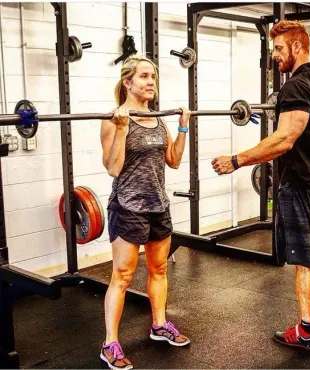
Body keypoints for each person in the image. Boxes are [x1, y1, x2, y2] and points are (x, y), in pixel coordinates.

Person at [212, 20, 310, 351]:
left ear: (298, 47)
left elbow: (284, 139)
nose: (275, 57)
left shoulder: (295, 87)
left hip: (301, 187)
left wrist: (236, 160)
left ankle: (308, 331)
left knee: (306, 260)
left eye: (279, 49)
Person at [100, 55, 191, 370]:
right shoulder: (113, 119)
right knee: (123, 276)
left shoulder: (160, 118)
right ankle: (110, 343)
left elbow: (174, 161)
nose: (151, 82)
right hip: (127, 207)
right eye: (143, 77)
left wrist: (182, 127)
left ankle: (159, 324)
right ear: (128, 82)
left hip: (158, 206)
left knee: (159, 270)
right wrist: (123, 129)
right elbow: (113, 168)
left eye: (153, 76)